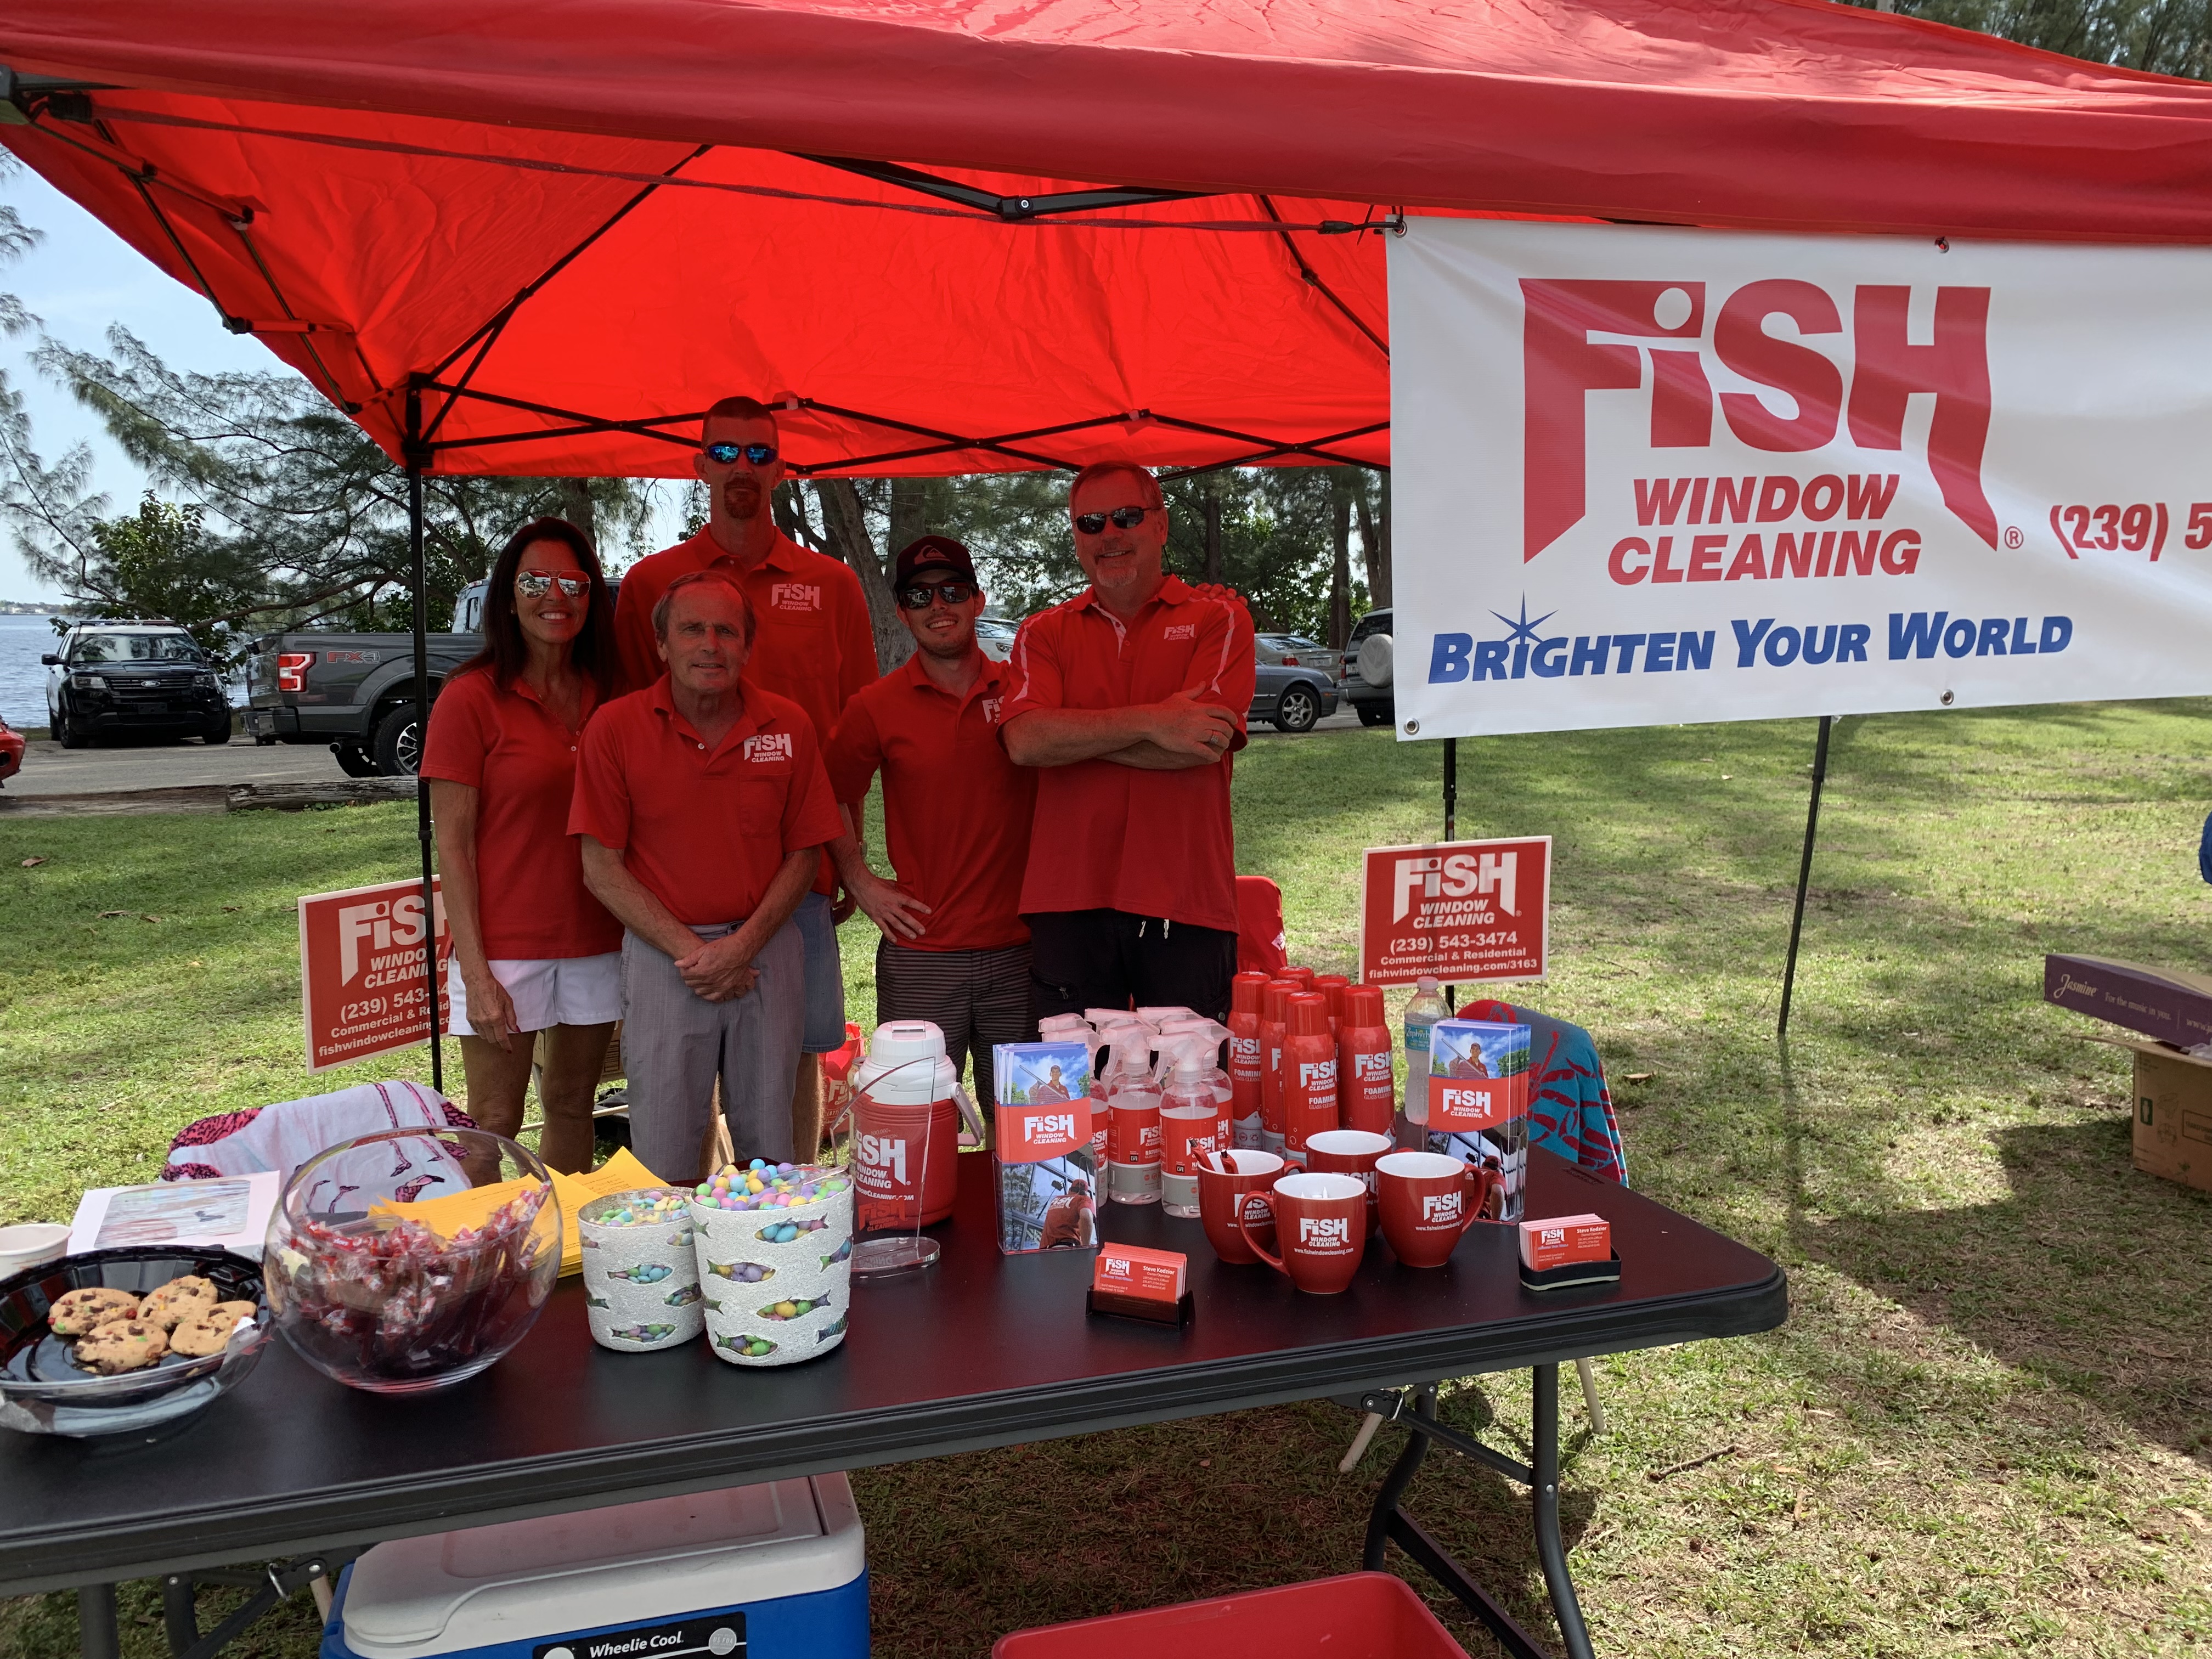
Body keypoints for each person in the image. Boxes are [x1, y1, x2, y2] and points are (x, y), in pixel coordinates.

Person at [612, 396, 878, 1161]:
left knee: (792, 1056)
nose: (742, 469)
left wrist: (847, 862)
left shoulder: (830, 586)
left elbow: (850, 744)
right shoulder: (651, 585)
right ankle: (695, 1237)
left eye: (760, 454)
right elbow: (631, 729)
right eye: (724, 453)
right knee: (682, 1076)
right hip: (674, 894)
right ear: (698, 466)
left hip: (798, 877)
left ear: (781, 469)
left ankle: (780, 1209)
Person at [573, 570, 843, 1178]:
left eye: (727, 631)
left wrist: (741, 945)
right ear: (662, 644)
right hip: (666, 959)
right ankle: (670, 1272)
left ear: (748, 646)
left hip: (766, 951)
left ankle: (771, 1266)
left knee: (771, 1152)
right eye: (692, 629)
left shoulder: (788, 726)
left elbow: (805, 853)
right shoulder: (615, 730)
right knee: (665, 1150)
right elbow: (601, 867)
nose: (710, 645)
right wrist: (698, 953)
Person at [1000, 462, 1257, 1023]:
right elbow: (1023, 741)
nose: (1108, 534)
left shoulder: (1221, 618)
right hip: (1067, 898)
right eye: (1090, 523)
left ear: (1161, 525)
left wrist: (1072, 733)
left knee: (1188, 1094)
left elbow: (1202, 742)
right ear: (1075, 537)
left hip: (1186, 897)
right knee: (1072, 1098)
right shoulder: (1041, 633)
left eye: (1126, 517)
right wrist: (1153, 720)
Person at [422, 516, 620, 1176]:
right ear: (508, 595)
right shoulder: (469, 698)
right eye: (536, 581)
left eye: (574, 582)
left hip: (596, 941)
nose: (555, 596)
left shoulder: (609, 697)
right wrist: (476, 975)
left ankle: (559, 1258)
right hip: (504, 950)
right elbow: (452, 847)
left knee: (571, 1103)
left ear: (592, 598)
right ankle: (486, 1265)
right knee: (493, 1121)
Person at [825, 536, 1037, 1114]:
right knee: (915, 1130)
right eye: (920, 595)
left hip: (1024, 952)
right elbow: (825, 794)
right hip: (922, 952)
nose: (937, 606)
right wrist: (859, 878)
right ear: (901, 611)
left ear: (977, 600)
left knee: (1024, 1136)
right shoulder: (876, 705)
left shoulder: (1024, 691)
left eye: (952, 591)